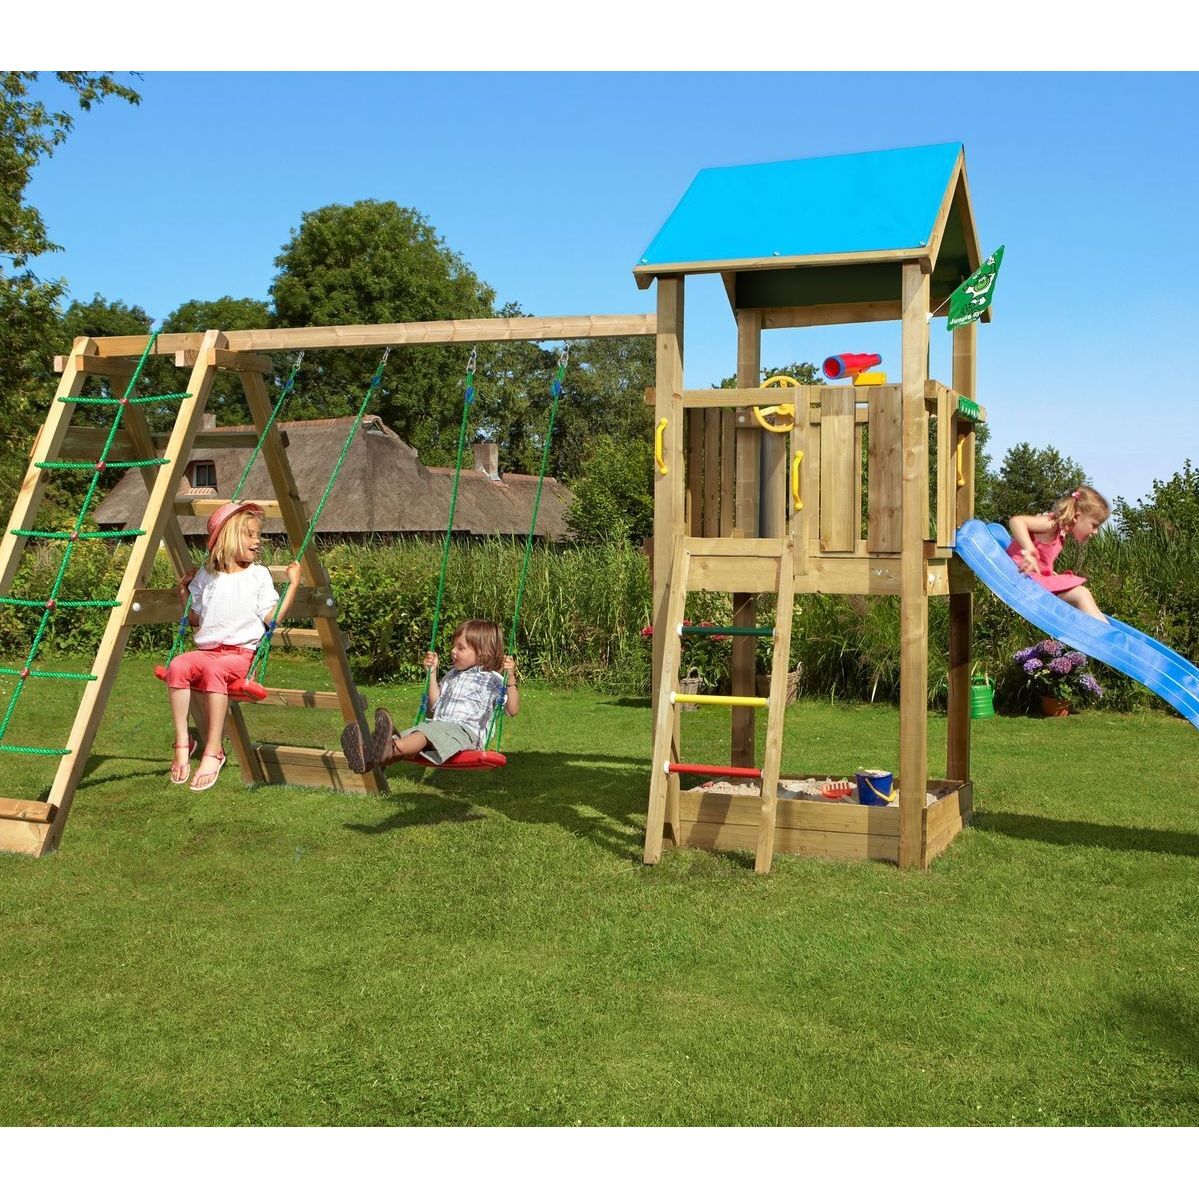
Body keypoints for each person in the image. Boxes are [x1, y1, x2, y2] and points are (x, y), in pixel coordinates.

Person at [167, 501, 302, 791]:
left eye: (258, 535)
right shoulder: (207, 577)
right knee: (177, 665)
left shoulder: (258, 575)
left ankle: (213, 750)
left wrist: (292, 586)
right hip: (207, 653)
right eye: (250, 534)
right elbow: (195, 619)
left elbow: (272, 619)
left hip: (240, 656)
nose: (257, 541)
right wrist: (183, 592)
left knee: (214, 670)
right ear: (228, 537)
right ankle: (183, 742)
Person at [340, 618, 519, 773]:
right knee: (411, 735)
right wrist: (432, 673)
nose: (453, 651)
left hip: (465, 734)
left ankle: (387, 748)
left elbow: (512, 710)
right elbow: (434, 707)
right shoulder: (452, 675)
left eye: (461, 648)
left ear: (483, 653)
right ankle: (368, 756)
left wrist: (510, 680)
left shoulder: (492, 679)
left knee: (422, 734)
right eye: (454, 646)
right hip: (439, 727)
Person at [1006, 485, 1110, 622]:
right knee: (1081, 594)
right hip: (1022, 577)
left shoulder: (1060, 532)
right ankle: (1104, 632)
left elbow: (1043, 558)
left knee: (1082, 594)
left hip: (1033, 580)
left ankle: (1103, 627)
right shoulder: (1051, 523)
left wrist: (1049, 573)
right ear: (1077, 517)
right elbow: (1016, 521)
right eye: (1094, 525)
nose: (1096, 532)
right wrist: (1029, 551)